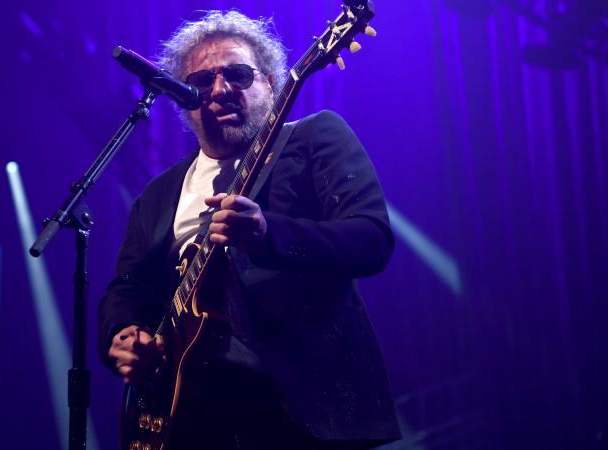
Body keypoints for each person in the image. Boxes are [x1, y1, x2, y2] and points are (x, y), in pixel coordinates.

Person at [98, 9, 401, 450]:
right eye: (201, 82)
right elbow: (126, 287)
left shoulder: (315, 137)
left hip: (300, 404)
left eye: (238, 75)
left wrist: (268, 234)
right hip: (190, 414)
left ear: (272, 85)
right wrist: (123, 333)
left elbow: (372, 239)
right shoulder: (160, 193)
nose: (220, 90)